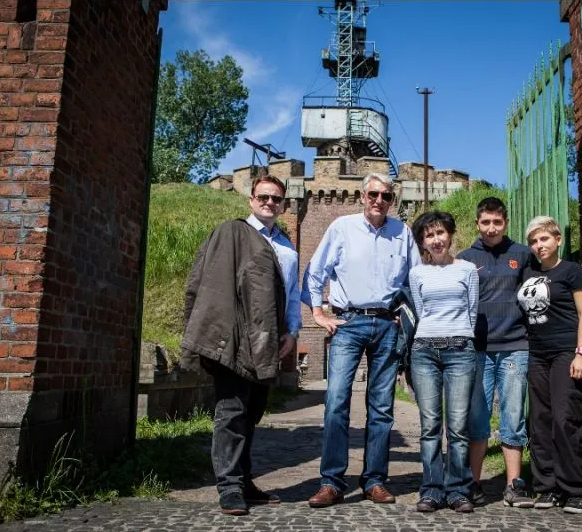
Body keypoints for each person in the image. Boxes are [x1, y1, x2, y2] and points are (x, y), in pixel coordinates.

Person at [181, 175, 301, 516]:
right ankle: (229, 486)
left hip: (267, 339)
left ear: (283, 204)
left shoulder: (287, 248)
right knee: (231, 412)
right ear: (251, 200)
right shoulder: (232, 233)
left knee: (252, 412)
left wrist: (292, 331)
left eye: (276, 198)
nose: (269, 203)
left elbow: (291, 294)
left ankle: (244, 480)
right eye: (263, 197)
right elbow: (210, 282)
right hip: (233, 336)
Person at [302, 173, 420, 508]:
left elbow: (415, 279)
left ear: (392, 200)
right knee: (337, 401)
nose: (379, 200)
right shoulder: (342, 227)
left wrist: (405, 313)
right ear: (361, 196)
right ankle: (331, 482)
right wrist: (318, 312)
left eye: (386, 196)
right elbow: (315, 271)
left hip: (387, 325)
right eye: (373, 194)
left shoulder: (402, 232)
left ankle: (374, 480)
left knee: (382, 407)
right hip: (348, 322)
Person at [458, 197, 535, 508]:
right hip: (477, 350)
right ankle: (474, 484)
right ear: (477, 223)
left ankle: (514, 485)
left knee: (513, 417)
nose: (491, 228)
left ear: (506, 223)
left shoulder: (522, 254)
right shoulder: (465, 259)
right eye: (486, 222)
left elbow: (534, 297)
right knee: (477, 419)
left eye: (497, 222)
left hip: (515, 347)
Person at [516, 215, 582, 514]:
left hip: (565, 353)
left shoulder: (571, 271)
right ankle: (547, 488)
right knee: (539, 423)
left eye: (544, 238)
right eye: (534, 241)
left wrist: (580, 353)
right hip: (537, 354)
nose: (539, 245)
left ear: (558, 239)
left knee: (565, 419)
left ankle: (576, 490)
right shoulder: (528, 271)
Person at [408, 211, 479, 513]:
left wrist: (459, 334)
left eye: (440, 233)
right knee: (430, 426)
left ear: (450, 235)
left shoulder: (468, 270)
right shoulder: (417, 274)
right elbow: (420, 311)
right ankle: (432, 489)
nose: (436, 240)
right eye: (429, 235)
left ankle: (458, 490)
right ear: (422, 242)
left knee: (459, 427)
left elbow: (472, 311)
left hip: (460, 350)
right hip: (424, 351)